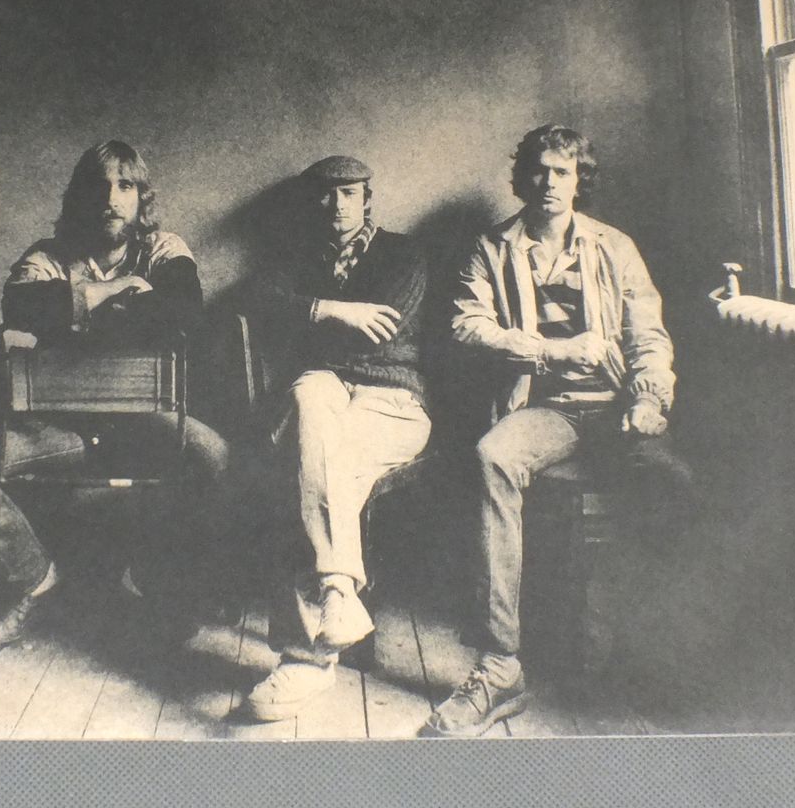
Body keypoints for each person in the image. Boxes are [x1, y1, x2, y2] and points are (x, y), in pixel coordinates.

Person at [422, 124, 687, 737]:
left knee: (674, 481)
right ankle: (500, 665)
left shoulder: (614, 246)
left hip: (620, 406)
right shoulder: (492, 248)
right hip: (548, 410)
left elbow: (648, 335)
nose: (548, 183)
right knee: (491, 456)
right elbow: (466, 324)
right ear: (522, 178)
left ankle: (657, 655)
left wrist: (649, 399)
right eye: (538, 171)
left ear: (578, 180)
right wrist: (552, 350)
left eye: (562, 172)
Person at [0, 141, 229, 651]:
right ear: (79, 197)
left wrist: (76, 316)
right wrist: (117, 291)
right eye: (99, 186)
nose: (111, 198)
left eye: (125, 186)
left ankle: (154, 581)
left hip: (143, 420)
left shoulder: (164, 249)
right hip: (56, 424)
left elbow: (184, 314)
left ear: (141, 197)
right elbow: (21, 308)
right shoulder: (48, 255)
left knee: (216, 458)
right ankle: (35, 579)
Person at [240, 155, 432, 721]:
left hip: (392, 400)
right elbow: (258, 303)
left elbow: (382, 334)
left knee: (315, 463)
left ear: (367, 199)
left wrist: (308, 322)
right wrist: (333, 308)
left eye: (349, 193)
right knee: (309, 396)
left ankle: (307, 658)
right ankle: (338, 596)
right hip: (323, 390)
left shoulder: (403, 254)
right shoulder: (293, 258)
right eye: (325, 195)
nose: (337, 205)